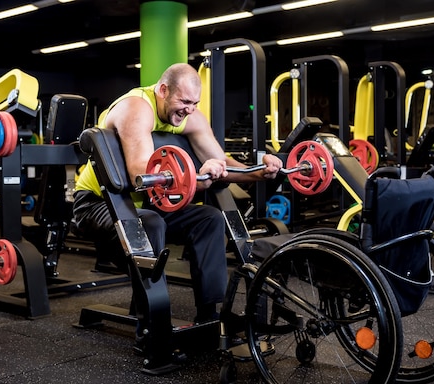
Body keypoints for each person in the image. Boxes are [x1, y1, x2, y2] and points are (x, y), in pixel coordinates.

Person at [73, 63, 283, 326]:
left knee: (209, 219)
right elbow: (141, 174)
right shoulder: (137, 108)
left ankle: (209, 316)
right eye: (184, 101)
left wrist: (260, 172)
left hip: (144, 205)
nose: (190, 109)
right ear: (163, 90)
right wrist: (199, 180)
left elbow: (221, 163)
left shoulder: (189, 116)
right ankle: (151, 328)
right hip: (100, 203)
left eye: (195, 102)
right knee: (151, 223)